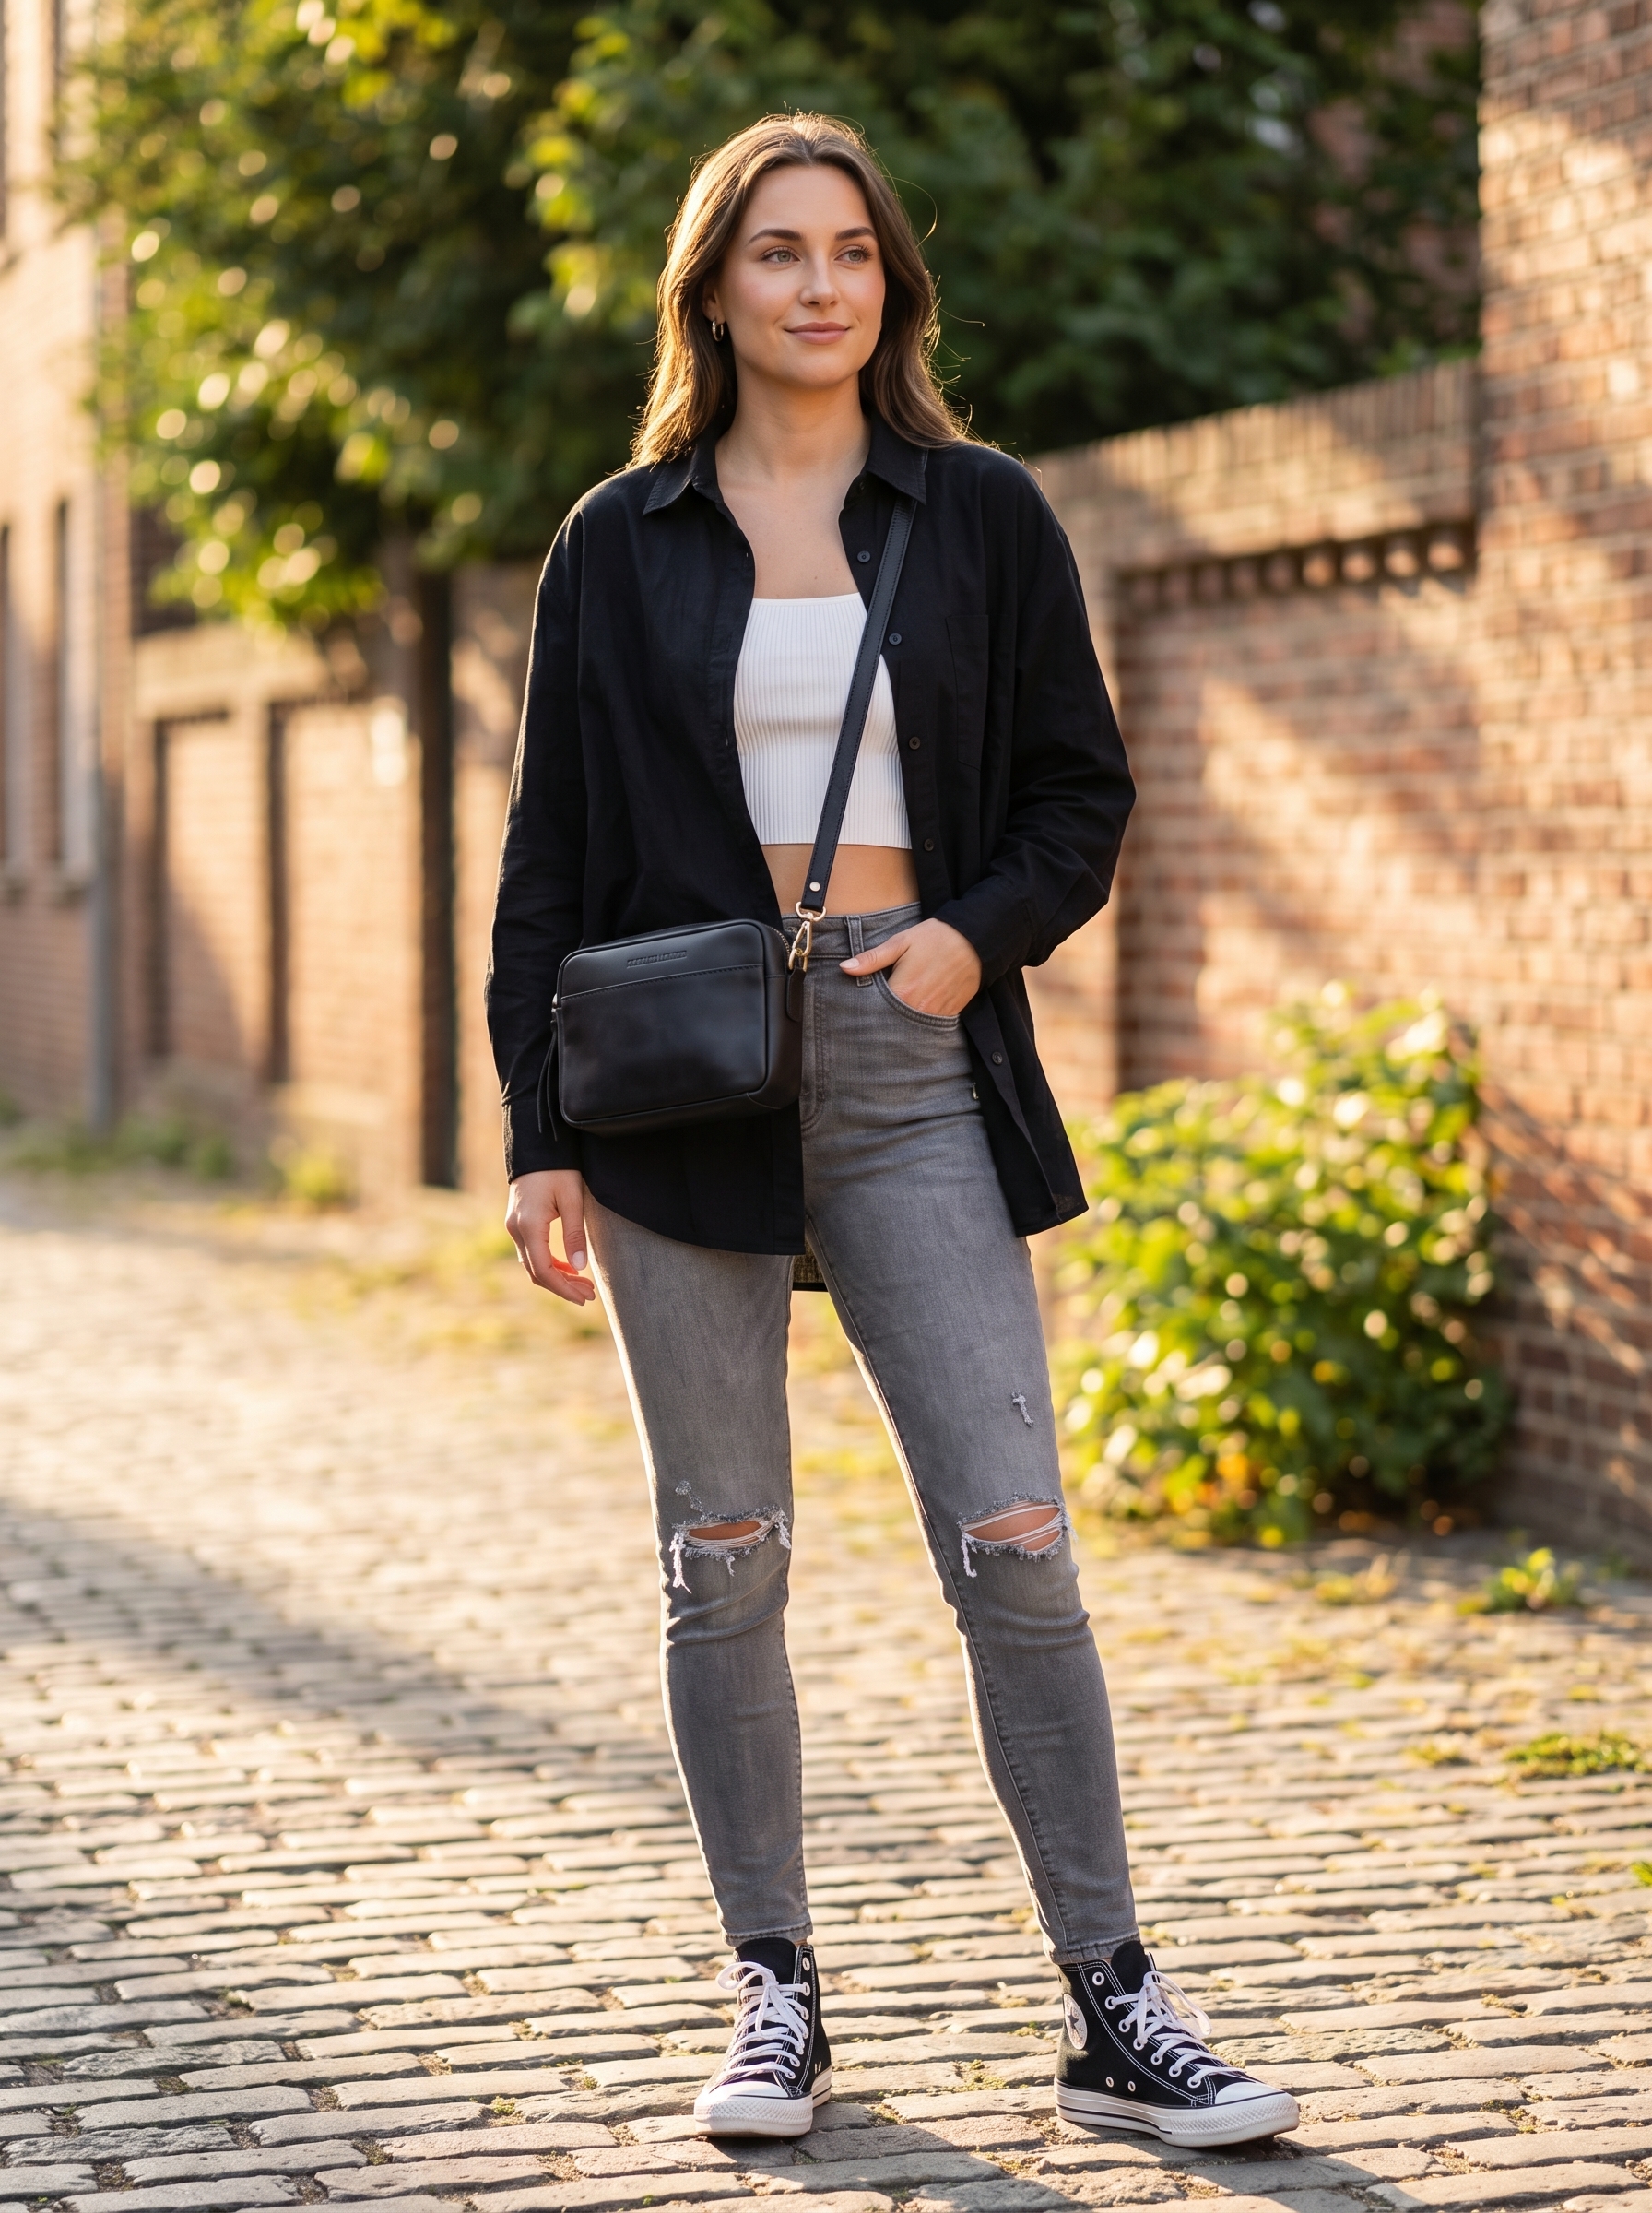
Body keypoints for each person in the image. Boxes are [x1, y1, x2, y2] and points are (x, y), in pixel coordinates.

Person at [488, 112, 1297, 2152]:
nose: (821, 284)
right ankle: (772, 1992)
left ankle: (1112, 2005)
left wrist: (961, 942)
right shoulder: (617, 540)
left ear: (889, 287)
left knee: (1013, 1539)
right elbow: (546, 863)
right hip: (674, 1088)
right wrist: (533, 1131)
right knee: (722, 1557)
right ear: (714, 286)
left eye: (851, 250)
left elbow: (1074, 798)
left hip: (909, 1048)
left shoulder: (978, 515)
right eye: (779, 252)